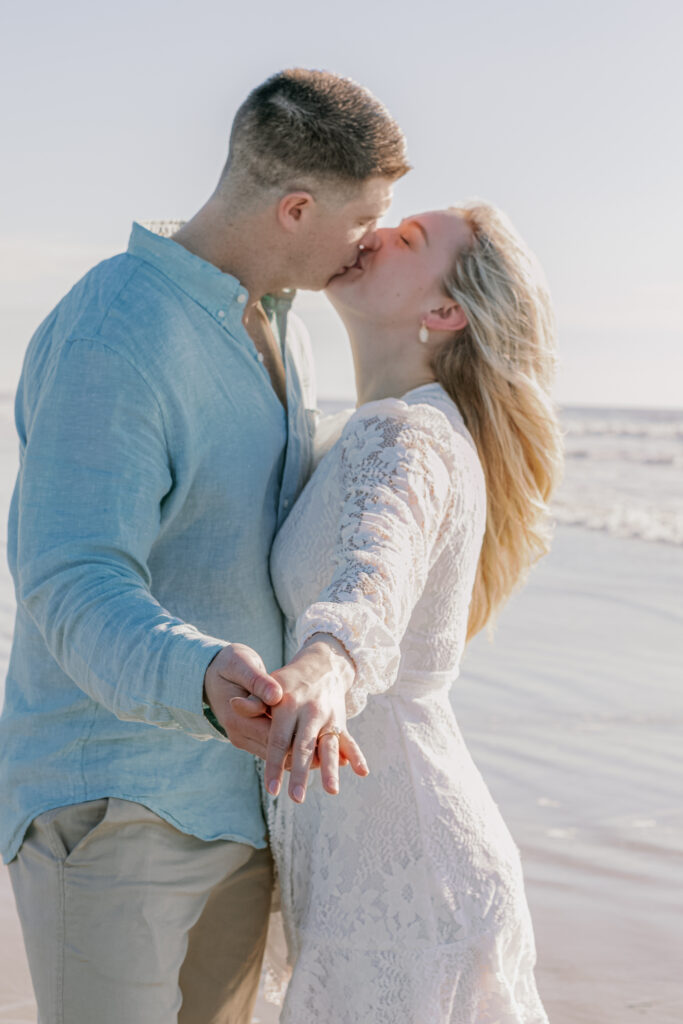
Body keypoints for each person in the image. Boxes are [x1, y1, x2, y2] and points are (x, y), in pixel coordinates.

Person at [0, 68, 409, 1024]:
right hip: (117, 803)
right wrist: (193, 676)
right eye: (366, 220)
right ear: (297, 207)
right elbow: (69, 573)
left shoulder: (280, 325)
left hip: (247, 803)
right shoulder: (117, 328)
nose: (374, 243)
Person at [236, 201, 564, 1021]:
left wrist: (327, 659)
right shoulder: (375, 430)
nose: (374, 233)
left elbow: (370, 579)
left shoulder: (404, 438)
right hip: (375, 861)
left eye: (408, 239)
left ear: (443, 312)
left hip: (410, 881)